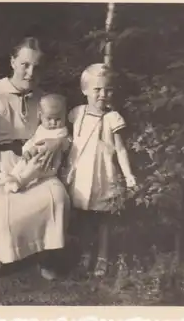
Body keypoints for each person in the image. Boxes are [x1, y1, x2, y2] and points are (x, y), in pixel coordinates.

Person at [0, 37, 70, 280]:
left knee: (57, 197)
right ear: (12, 62)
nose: (30, 72)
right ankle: (2, 253)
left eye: (37, 67)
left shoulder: (45, 100)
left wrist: (56, 142)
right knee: (1, 212)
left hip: (33, 163)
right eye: (25, 64)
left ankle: (46, 254)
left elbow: (60, 132)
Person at [65, 63, 137, 277]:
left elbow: (121, 150)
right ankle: (86, 254)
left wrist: (129, 177)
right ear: (85, 90)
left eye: (108, 90)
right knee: (84, 217)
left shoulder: (112, 118)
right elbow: (68, 140)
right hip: (81, 174)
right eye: (97, 89)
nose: (103, 95)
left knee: (103, 219)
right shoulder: (76, 114)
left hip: (103, 174)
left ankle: (103, 257)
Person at [1, 93, 70, 193]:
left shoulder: (61, 131)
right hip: (35, 157)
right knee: (22, 163)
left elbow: (59, 146)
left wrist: (35, 149)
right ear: (40, 115)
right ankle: (12, 178)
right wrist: (27, 150)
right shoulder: (41, 128)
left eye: (58, 119)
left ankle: (20, 181)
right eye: (49, 118)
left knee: (33, 169)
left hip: (48, 163)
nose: (53, 123)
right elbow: (33, 140)